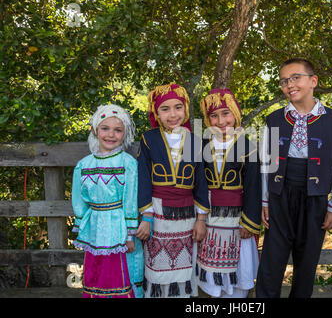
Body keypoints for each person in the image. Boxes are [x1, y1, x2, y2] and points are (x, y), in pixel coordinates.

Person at [256, 58, 332, 298]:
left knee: (307, 261)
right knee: (271, 260)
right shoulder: (274, 120)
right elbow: (266, 164)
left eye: (295, 77)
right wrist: (265, 201)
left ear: (313, 81)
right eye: (283, 81)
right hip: (280, 196)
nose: (289, 84)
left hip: (315, 199)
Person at [135, 83, 210, 298]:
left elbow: (201, 183)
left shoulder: (194, 141)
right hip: (157, 215)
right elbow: (143, 179)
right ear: (156, 113)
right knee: (157, 271)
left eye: (178, 107)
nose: (173, 114)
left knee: (182, 272)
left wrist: (201, 220)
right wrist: (147, 216)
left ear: (186, 108)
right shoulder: (149, 139)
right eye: (165, 109)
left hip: (187, 216)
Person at [72, 104, 144, 298]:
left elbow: (130, 200)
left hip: (118, 227)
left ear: (125, 133)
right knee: (95, 272)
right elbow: (80, 201)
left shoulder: (127, 164)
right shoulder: (84, 165)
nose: (111, 135)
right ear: (94, 130)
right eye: (105, 128)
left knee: (119, 271)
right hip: (94, 229)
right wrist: (82, 226)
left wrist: (130, 235)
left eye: (118, 130)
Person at [197, 89, 261, 298]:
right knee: (213, 274)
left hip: (237, 220)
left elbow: (253, 186)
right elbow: (198, 183)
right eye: (214, 116)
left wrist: (249, 222)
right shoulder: (202, 145)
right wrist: (200, 217)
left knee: (237, 269)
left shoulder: (247, 145)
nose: (221, 120)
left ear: (235, 114)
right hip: (210, 217)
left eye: (226, 113)